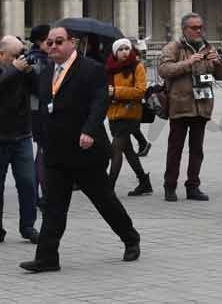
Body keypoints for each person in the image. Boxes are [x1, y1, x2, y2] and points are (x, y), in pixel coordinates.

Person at [20, 26, 140, 273]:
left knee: (104, 201)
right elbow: (44, 107)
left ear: (72, 43)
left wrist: (89, 130)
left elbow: (99, 102)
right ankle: (47, 258)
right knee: (54, 206)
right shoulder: (46, 72)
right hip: (55, 151)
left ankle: (130, 238)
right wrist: (41, 137)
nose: (53, 46)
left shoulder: (91, 69)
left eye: (59, 42)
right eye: (49, 42)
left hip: (86, 150)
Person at [158, 12, 222, 202]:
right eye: (194, 28)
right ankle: (170, 186)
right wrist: (189, 62)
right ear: (184, 29)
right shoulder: (174, 47)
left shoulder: (208, 47)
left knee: (197, 149)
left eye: (200, 27)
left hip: (202, 105)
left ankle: (193, 186)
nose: (199, 31)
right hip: (180, 106)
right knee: (175, 149)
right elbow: (164, 70)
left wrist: (218, 62)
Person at [0, 35, 39, 244]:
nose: (21, 58)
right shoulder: (10, 70)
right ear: (2, 54)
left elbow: (40, 88)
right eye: (16, 55)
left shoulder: (22, 70)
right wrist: (13, 70)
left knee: (28, 183)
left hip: (22, 134)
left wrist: (30, 71)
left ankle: (28, 226)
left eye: (23, 54)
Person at [104, 39, 151, 197]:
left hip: (130, 113)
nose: (125, 52)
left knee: (116, 149)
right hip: (113, 114)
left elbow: (140, 91)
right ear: (115, 52)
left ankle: (109, 187)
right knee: (128, 150)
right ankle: (144, 181)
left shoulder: (137, 66)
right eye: (121, 49)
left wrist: (116, 91)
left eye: (127, 49)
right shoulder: (110, 68)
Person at [25, 25, 51, 205]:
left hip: (39, 110)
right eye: (49, 41)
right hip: (39, 111)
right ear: (39, 41)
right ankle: (39, 195)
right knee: (43, 152)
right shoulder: (36, 59)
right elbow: (39, 88)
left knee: (43, 152)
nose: (52, 44)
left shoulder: (41, 58)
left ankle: (38, 194)